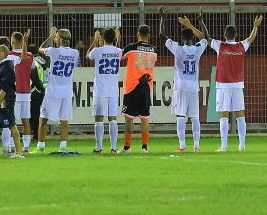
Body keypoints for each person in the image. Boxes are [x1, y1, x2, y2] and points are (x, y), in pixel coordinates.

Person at [207, 15, 263, 152]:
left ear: (224, 35)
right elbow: (251, 38)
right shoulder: (241, 46)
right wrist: (255, 26)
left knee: (223, 114)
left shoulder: (220, 45)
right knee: (240, 114)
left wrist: (197, 23)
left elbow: (205, 37)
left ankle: (224, 145)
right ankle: (242, 145)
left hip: (223, 84)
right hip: (238, 84)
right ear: (236, 35)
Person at [159, 8, 209, 153]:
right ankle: (196, 146)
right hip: (193, 87)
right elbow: (206, 37)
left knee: (180, 115)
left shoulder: (178, 49)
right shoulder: (197, 49)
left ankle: (182, 146)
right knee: (194, 117)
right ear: (192, 37)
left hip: (180, 87)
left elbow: (162, 36)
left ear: (181, 38)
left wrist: (163, 18)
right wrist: (200, 21)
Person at [36, 27, 78, 153]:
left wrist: (50, 37)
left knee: (43, 119)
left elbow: (40, 49)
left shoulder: (53, 51)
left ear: (59, 39)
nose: (55, 39)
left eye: (56, 37)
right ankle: (63, 147)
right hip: (67, 92)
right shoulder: (75, 53)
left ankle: (40, 146)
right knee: (64, 121)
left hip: (53, 91)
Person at [120, 24, 157, 154]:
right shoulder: (154, 50)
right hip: (146, 86)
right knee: (145, 117)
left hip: (132, 86)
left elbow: (121, 56)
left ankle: (127, 147)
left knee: (128, 117)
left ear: (138, 34)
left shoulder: (131, 48)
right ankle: (144, 147)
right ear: (149, 35)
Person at [86, 27, 122, 154]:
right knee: (113, 118)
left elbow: (87, 55)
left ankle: (98, 148)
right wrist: (118, 39)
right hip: (113, 91)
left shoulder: (97, 51)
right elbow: (116, 50)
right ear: (114, 38)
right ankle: (114, 148)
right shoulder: (118, 51)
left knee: (99, 118)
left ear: (102, 38)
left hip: (100, 90)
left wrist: (94, 41)